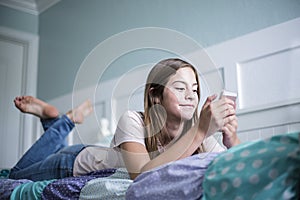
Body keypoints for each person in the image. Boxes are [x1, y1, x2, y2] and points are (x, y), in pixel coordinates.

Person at [9, 58, 240, 181]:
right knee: (15, 176)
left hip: (93, 154)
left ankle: (52, 122)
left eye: (195, 89)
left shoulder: (197, 136)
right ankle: (64, 122)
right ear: (155, 95)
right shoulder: (133, 120)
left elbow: (240, 164)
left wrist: (231, 140)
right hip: (73, 163)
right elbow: (140, 174)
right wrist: (201, 130)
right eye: (180, 88)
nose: (191, 96)